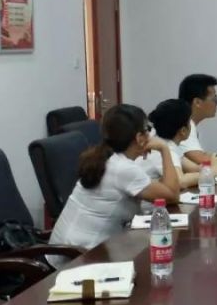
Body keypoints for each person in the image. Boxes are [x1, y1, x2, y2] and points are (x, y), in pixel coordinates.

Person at [50, 104, 180, 251]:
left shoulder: (108, 158)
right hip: (77, 256)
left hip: (80, 248)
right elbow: (173, 195)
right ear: (139, 138)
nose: (151, 135)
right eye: (148, 129)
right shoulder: (122, 168)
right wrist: (164, 149)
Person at [142, 99, 217, 188]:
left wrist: (213, 163)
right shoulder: (164, 148)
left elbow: (195, 168)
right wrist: (214, 170)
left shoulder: (167, 143)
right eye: (189, 121)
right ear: (183, 131)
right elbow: (179, 181)